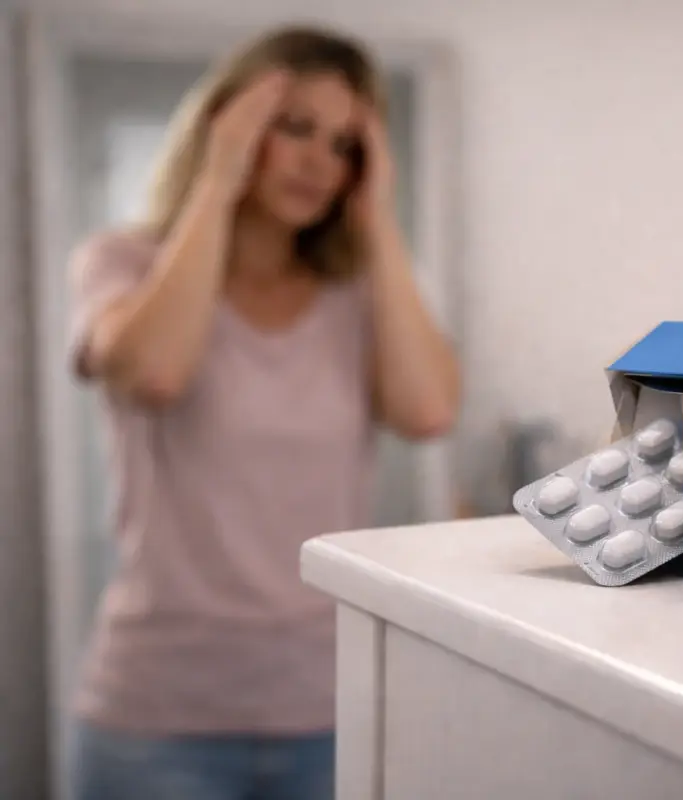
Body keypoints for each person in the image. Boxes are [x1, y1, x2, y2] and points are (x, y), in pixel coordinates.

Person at [65, 24, 460, 800]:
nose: (320, 161)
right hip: (155, 717)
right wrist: (216, 182)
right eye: (295, 128)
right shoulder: (123, 263)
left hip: (331, 707)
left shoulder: (361, 296)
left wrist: (377, 218)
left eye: (346, 144)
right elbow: (154, 373)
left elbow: (427, 412)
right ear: (231, 126)